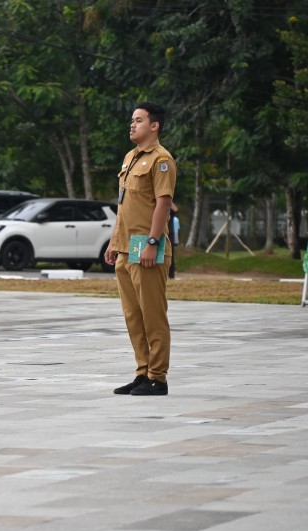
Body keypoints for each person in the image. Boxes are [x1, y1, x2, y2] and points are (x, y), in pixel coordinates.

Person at [104, 102, 177, 396]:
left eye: (138, 120)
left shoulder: (162, 160)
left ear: (154, 125)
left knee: (152, 315)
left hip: (146, 245)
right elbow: (125, 206)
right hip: (126, 246)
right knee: (133, 315)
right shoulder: (131, 158)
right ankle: (142, 373)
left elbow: (163, 204)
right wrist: (113, 242)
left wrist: (151, 242)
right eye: (131, 120)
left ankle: (158, 378)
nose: (132, 125)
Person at [168, 203, 180, 279]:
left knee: (170, 254)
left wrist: (168, 200)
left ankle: (171, 274)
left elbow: (176, 209)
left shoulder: (168, 204)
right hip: (158, 232)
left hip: (170, 232)